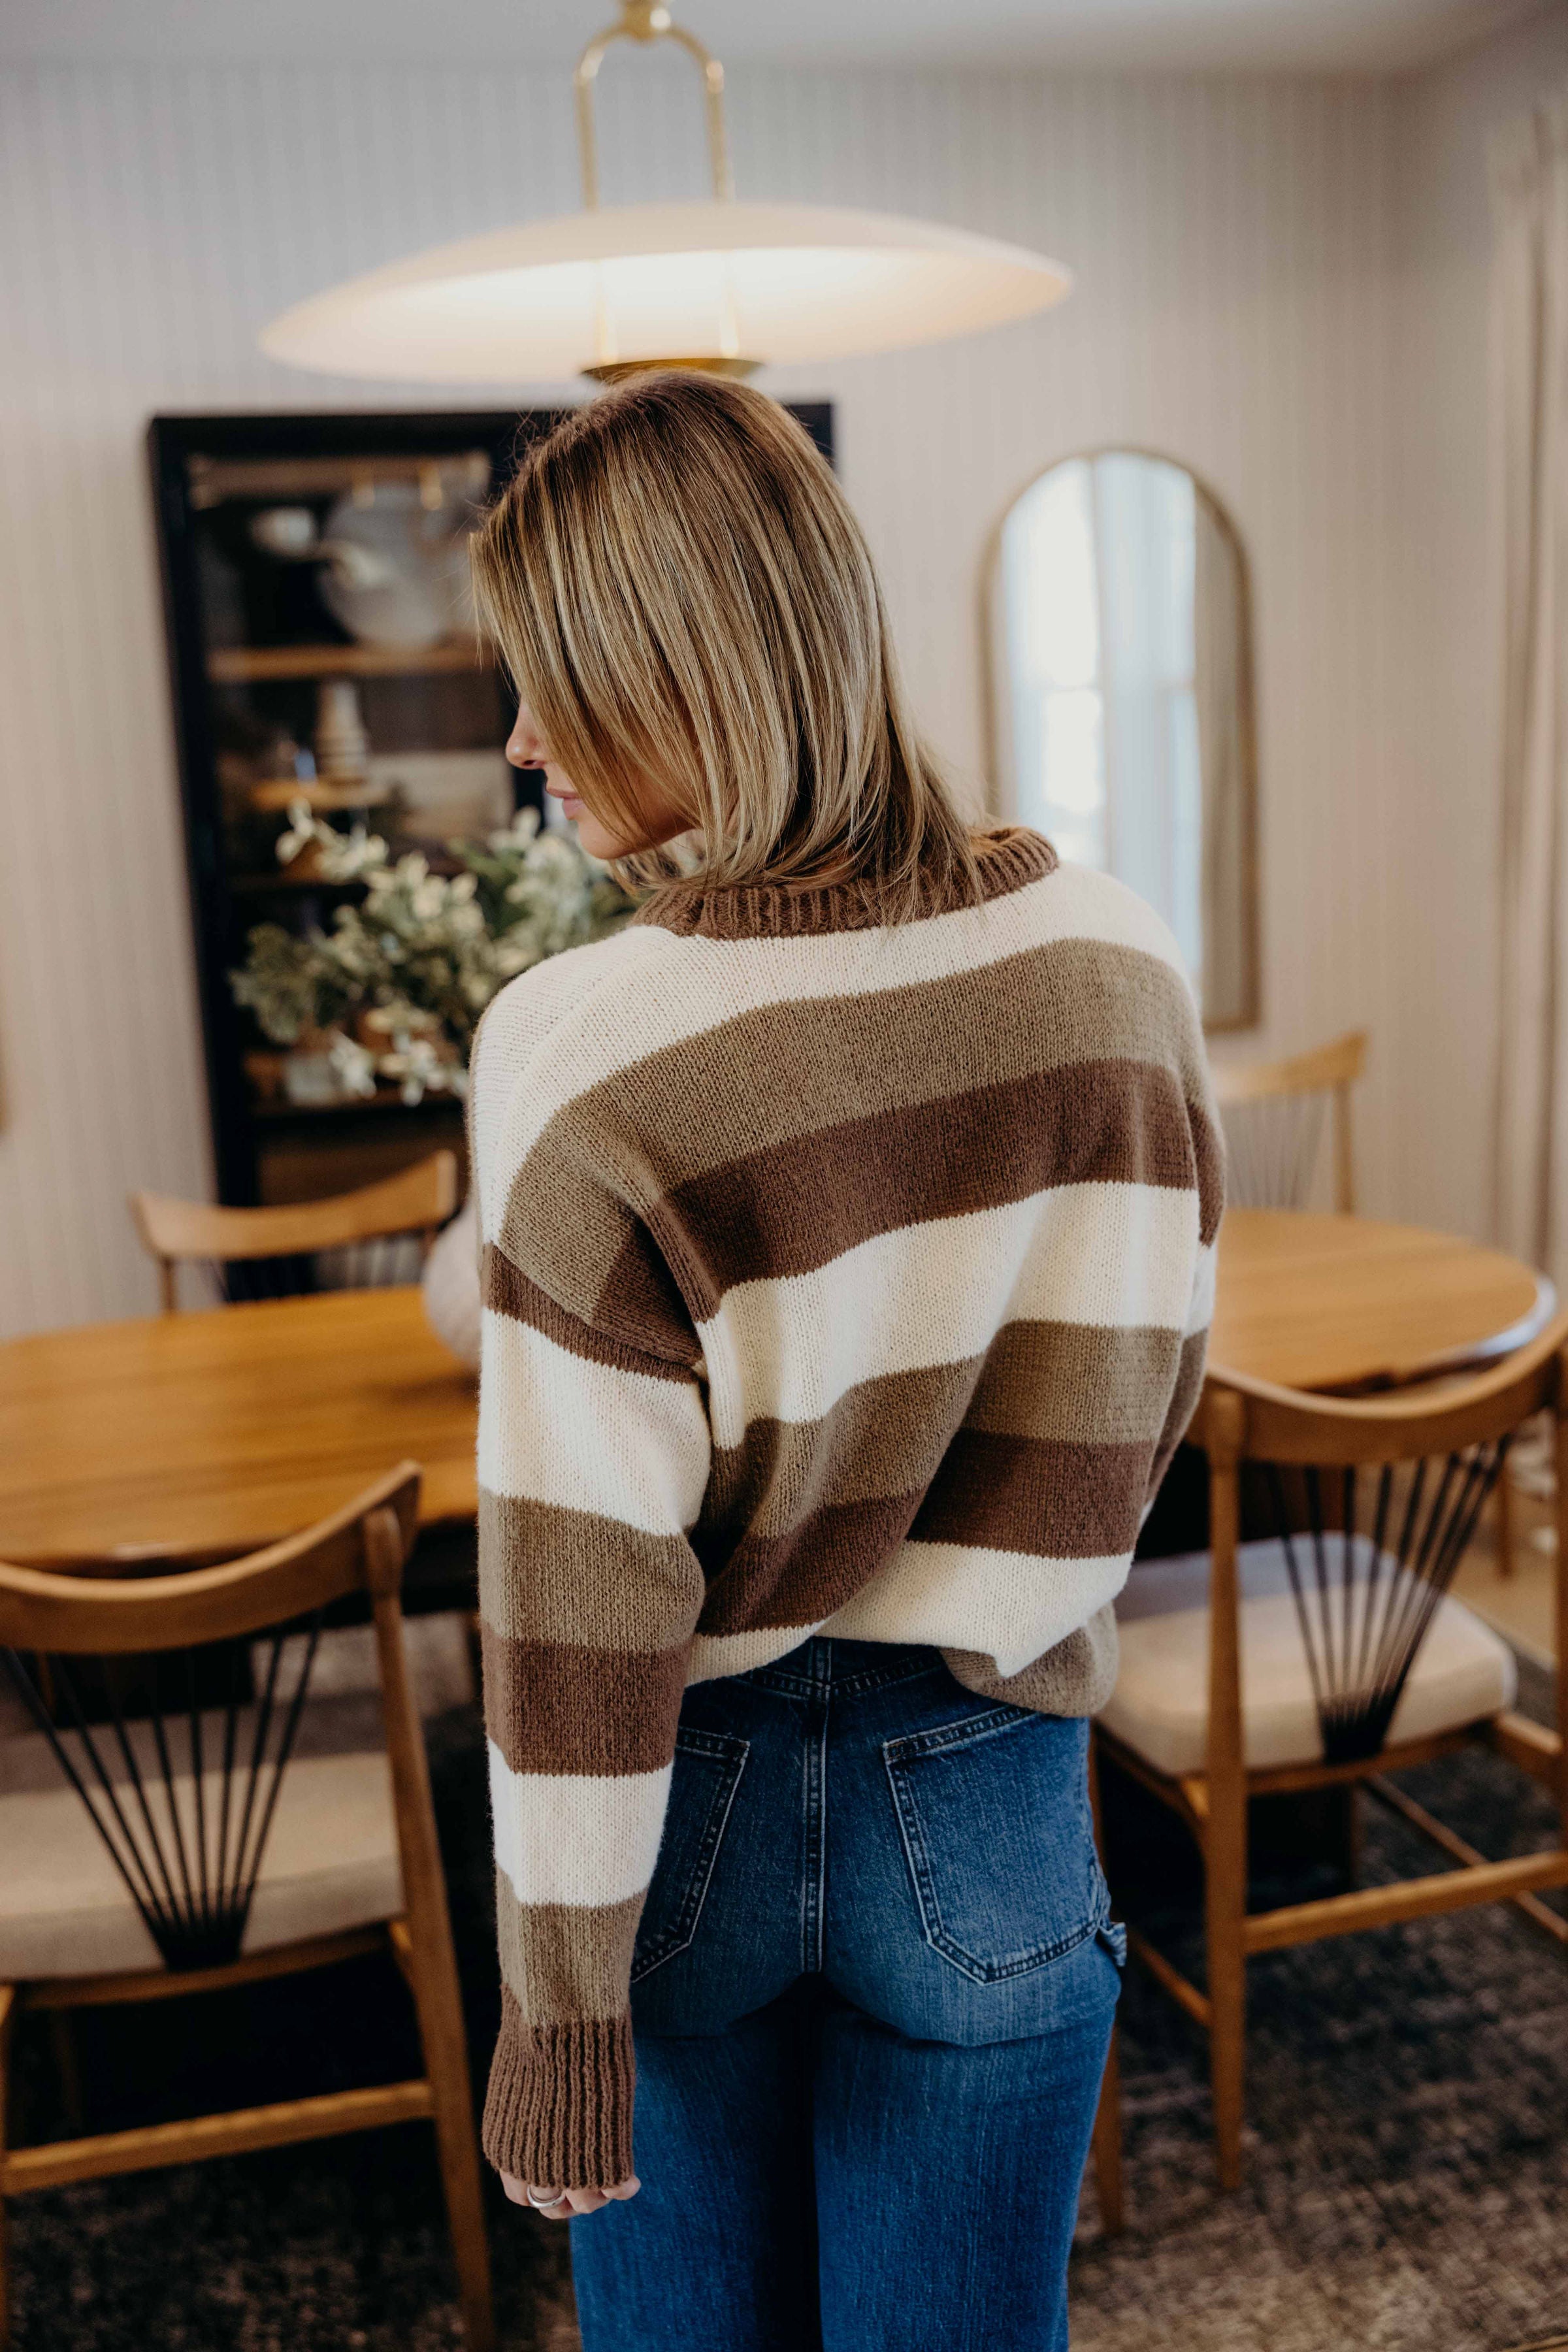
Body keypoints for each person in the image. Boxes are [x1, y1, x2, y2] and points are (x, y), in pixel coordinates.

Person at [465, 373, 1221, 2351]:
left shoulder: (578, 1049)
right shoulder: (1117, 964)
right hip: (995, 1784)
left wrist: (557, 2016)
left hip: (676, 1809)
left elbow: (576, 1600)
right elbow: (1156, 1394)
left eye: (556, 683)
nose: (521, 739)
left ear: (682, 673)